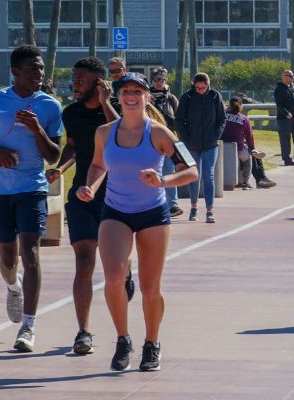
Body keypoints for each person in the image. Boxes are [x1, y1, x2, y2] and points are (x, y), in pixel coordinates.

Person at [77, 73, 199, 372]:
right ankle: (123, 339)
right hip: (115, 212)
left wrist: (164, 181)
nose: (131, 95)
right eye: (126, 91)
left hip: (153, 215)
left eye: (137, 91)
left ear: (146, 97)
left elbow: (191, 170)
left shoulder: (159, 133)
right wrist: (90, 185)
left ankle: (152, 343)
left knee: (149, 286)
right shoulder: (104, 133)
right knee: (114, 278)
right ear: (118, 96)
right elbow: (97, 164)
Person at [0, 45, 63, 352]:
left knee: (30, 254)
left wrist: (36, 129)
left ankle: (28, 327)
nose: (39, 74)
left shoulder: (49, 106)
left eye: (41, 69)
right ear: (16, 72)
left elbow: (54, 155)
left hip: (31, 188)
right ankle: (12, 286)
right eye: (33, 69)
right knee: (8, 260)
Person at [45, 57, 120, 355]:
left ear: (99, 83)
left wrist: (107, 102)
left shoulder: (112, 115)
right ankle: (83, 332)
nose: (75, 83)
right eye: (73, 77)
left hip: (116, 197)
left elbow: (120, 133)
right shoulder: (71, 113)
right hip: (82, 196)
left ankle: (124, 276)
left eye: (81, 78)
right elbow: (73, 147)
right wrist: (60, 169)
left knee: (115, 268)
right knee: (84, 261)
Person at [174, 72, 225, 223]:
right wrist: (186, 138)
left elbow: (222, 119)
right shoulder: (187, 97)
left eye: (203, 88)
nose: (201, 90)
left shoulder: (215, 97)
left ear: (208, 85)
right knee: (194, 176)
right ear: (193, 85)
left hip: (211, 144)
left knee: (208, 176)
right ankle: (194, 207)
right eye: (198, 88)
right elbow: (179, 120)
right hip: (192, 145)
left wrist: (216, 136)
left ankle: (210, 210)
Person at [149, 68, 183, 217]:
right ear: (152, 81)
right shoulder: (147, 97)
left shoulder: (171, 98)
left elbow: (179, 119)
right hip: (151, 140)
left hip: (168, 140)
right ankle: (154, 205)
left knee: (169, 172)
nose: (159, 83)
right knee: (153, 172)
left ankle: (173, 206)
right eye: (157, 80)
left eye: (162, 80)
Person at [222, 97, 258, 189]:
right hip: (238, 148)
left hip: (221, 147)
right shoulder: (244, 118)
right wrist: (251, 147)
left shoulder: (222, 115)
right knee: (247, 159)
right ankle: (245, 182)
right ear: (240, 106)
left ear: (229, 105)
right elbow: (249, 136)